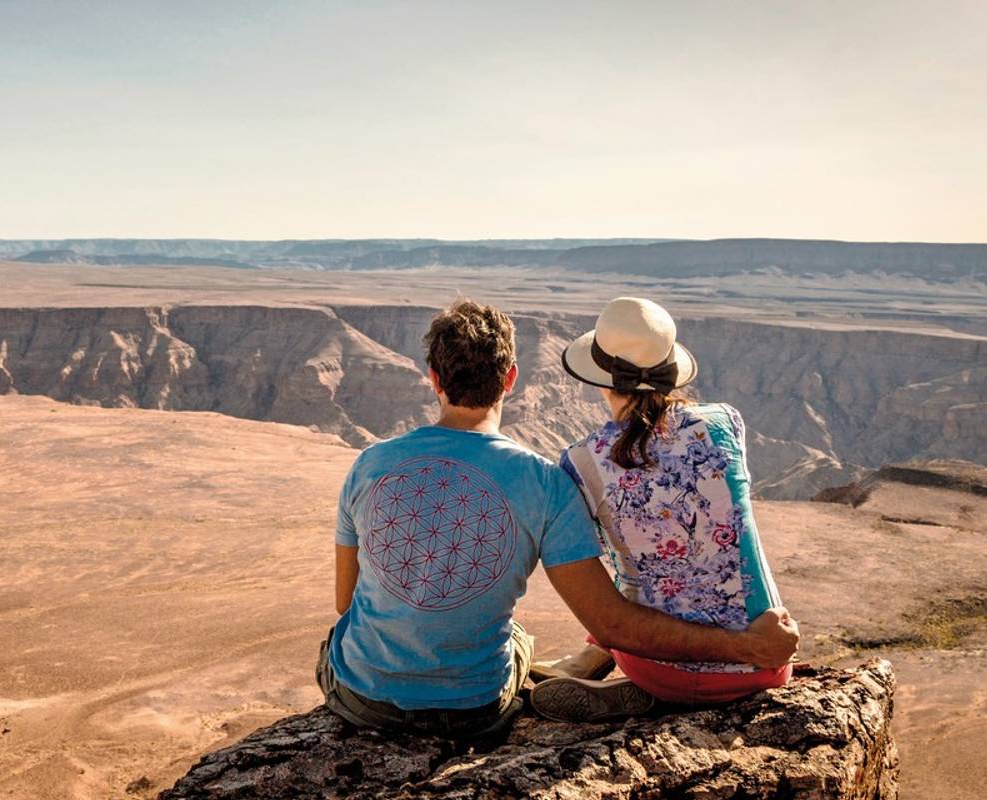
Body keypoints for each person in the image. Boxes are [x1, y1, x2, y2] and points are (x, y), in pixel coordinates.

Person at [316, 299, 799, 738]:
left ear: (433, 378)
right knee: (532, 631)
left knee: (350, 637)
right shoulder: (555, 479)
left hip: (367, 703)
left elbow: (345, 602)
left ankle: (599, 668)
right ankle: (585, 663)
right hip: (478, 707)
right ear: (510, 379)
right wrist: (752, 646)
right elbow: (611, 617)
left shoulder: (370, 464)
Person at [530, 296, 792, 723]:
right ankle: (613, 668)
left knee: (633, 571)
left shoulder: (581, 462)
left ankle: (634, 681)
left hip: (657, 665)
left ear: (601, 381)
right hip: (766, 661)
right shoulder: (725, 422)